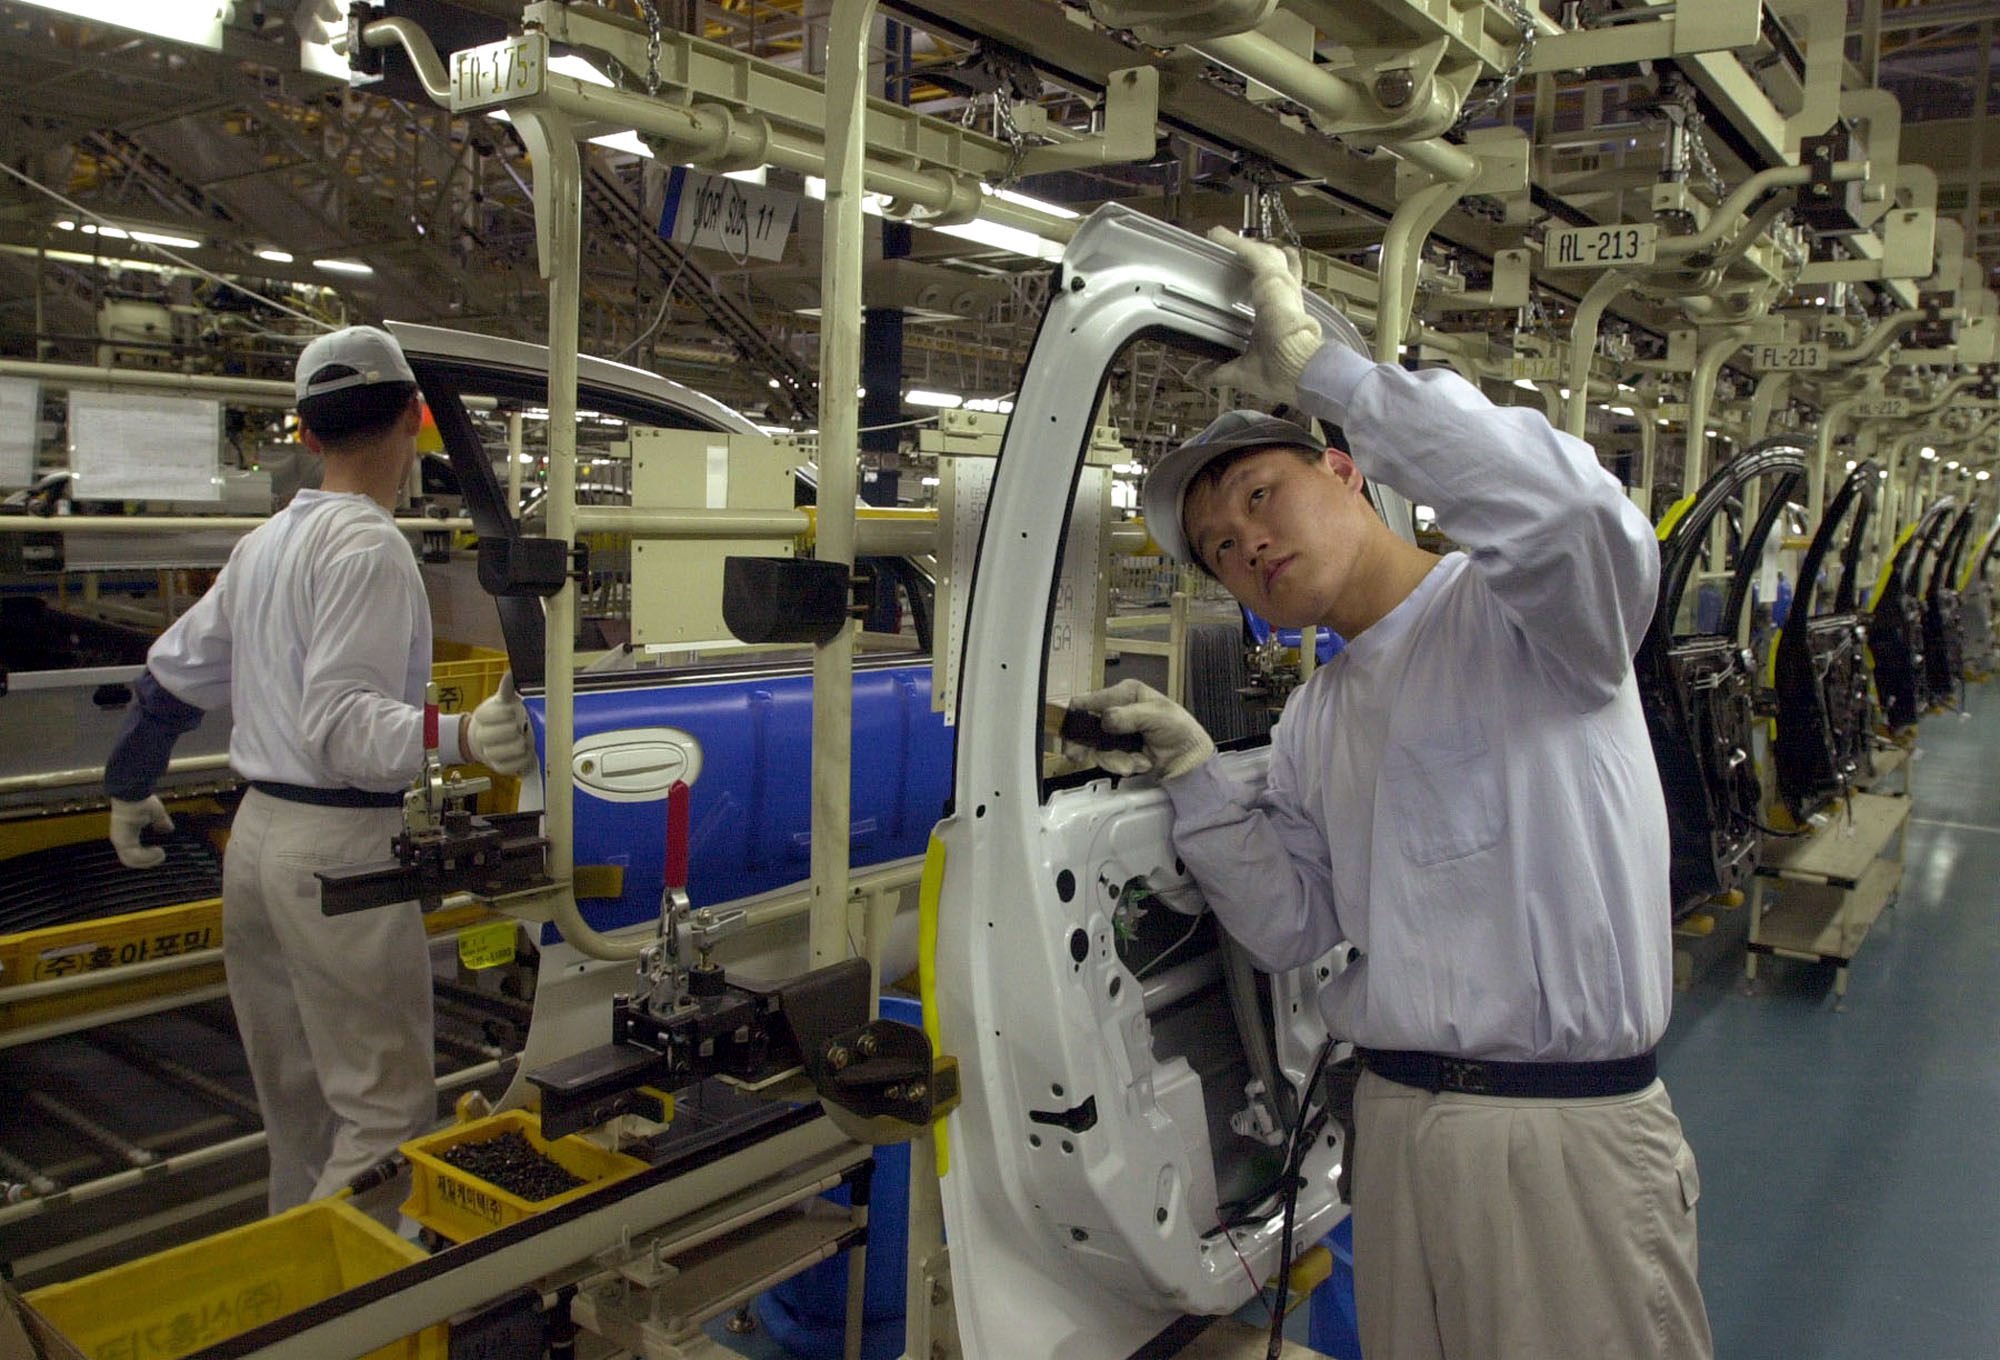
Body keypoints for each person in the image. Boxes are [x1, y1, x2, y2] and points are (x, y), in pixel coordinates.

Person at [1065, 231, 1712, 1360]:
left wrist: (1339, 378)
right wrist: (1191, 772)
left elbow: (1574, 519)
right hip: (1398, 1132)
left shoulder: (1529, 619)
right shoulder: (1319, 715)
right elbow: (1289, 922)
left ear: (1345, 470)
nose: (1246, 545)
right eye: (1218, 548)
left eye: (1260, 497)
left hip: (1560, 1137)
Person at [102, 325, 539, 1225]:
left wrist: (129, 781)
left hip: (256, 840)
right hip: (338, 849)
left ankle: (282, 1295)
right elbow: (341, 730)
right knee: (380, 1118)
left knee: (297, 1116)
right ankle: (342, 1318)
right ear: (418, 420)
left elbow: (175, 673)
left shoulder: (266, 544)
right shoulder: (370, 547)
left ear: (304, 433)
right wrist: (462, 734)